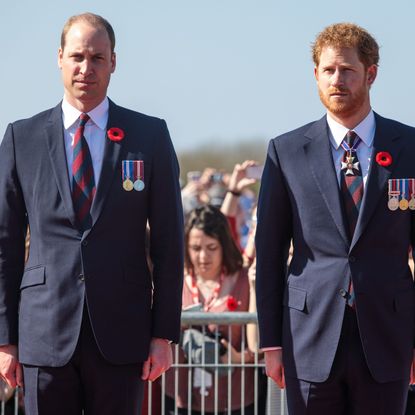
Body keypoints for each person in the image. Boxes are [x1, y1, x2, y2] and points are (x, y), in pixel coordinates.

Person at [0, 12, 183, 415]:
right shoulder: (21, 137)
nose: (87, 68)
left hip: (122, 334)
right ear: (60, 58)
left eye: (98, 58)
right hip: (43, 335)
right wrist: (4, 339)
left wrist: (163, 335)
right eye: (78, 56)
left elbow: (171, 243)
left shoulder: (149, 135)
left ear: (114, 62)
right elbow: (5, 245)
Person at [255, 22, 415, 414]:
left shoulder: (409, 147)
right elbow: (270, 253)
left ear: (371, 74)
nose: (336, 80)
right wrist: (271, 342)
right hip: (308, 339)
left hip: (387, 337)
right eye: (328, 70)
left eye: (347, 70)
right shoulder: (287, 151)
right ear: (316, 75)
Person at [164, 205, 255, 414]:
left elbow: (261, 342)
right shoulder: (173, 279)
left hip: (234, 398)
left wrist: (240, 358)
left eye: (211, 247)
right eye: (195, 248)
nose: (203, 257)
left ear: (224, 245)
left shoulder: (244, 281)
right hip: (181, 398)